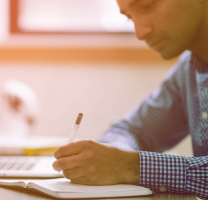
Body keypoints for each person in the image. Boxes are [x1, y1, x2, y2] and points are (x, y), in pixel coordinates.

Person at [52, 0, 208, 199]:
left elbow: (127, 163)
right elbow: (130, 130)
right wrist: (111, 160)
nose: (140, 33)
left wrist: (130, 166)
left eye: (146, 6)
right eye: (129, 18)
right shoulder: (189, 69)